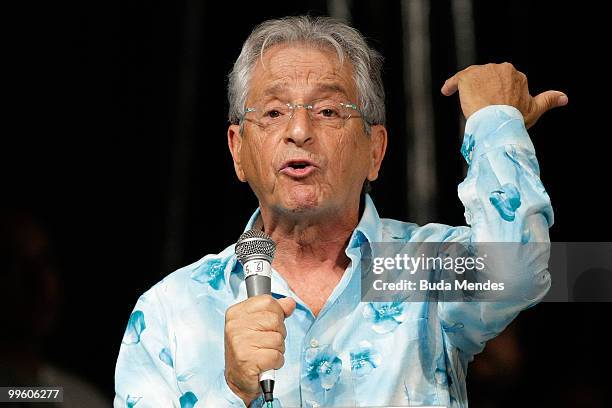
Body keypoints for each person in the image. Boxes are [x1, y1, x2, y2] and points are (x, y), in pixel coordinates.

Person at [114, 15, 567, 407]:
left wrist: (494, 123)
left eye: (328, 110)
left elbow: (520, 271)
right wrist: (233, 392)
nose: (298, 130)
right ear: (237, 150)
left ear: (375, 151)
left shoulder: (416, 270)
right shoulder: (170, 312)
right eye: (273, 112)